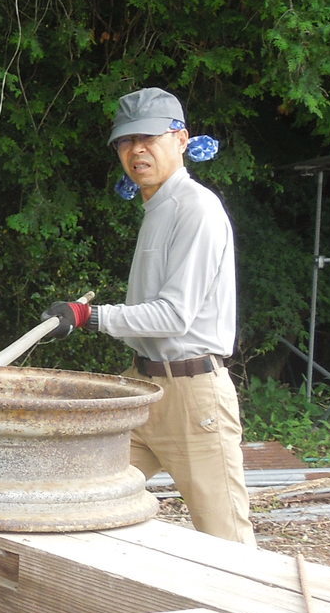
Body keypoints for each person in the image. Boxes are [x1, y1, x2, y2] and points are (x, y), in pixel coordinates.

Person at [41, 87, 255, 546]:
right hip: (144, 389)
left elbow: (174, 316)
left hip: (193, 398)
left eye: (150, 137)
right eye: (125, 140)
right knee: (84, 502)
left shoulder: (195, 208)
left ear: (181, 139)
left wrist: (86, 316)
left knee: (228, 541)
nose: (137, 150)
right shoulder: (156, 207)